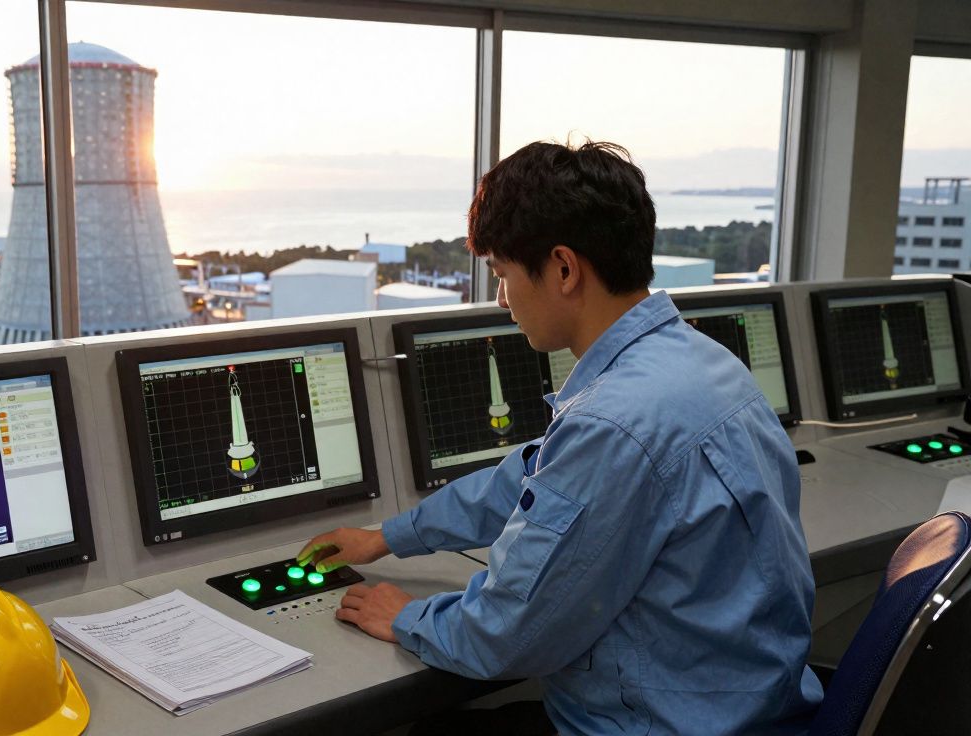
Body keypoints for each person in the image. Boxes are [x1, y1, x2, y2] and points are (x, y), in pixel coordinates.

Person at [296, 140, 823, 735]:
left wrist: (407, 616)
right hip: (755, 709)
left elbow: (504, 637)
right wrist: (387, 537)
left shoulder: (612, 424)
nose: (502, 299)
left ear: (564, 269)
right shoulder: (705, 363)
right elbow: (532, 476)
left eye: (502, 274)